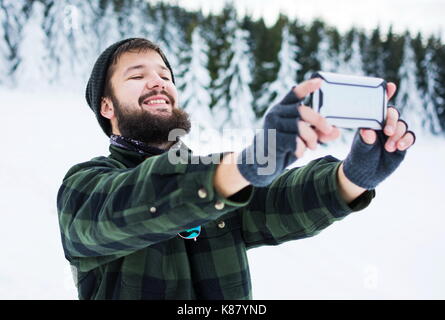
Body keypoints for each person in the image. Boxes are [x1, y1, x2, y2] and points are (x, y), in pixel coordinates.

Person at [57, 38, 415, 300]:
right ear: (107, 106)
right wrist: (245, 165)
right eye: (137, 76)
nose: (158, 82)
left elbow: (278, 200)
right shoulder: (85, 185)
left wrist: (352, 177)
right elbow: (126, 206)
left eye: (165, 75)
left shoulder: (223, 180)